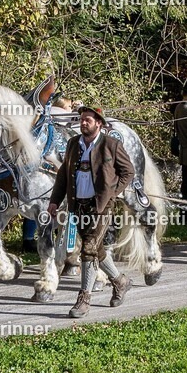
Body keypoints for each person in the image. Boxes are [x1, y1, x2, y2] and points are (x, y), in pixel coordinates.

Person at [47, 106, 134, 318]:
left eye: (88, 120)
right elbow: (63, 176)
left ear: (99, 123)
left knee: (88, 248)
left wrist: (112, 193)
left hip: (101, 207)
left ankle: (84, 298)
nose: (83, 123)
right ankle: (120, 281)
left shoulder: (111, 145)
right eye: (81, 119)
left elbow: (128, 171)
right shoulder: (72, 144)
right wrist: (55, 201)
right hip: (79, 205)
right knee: (97, 250)